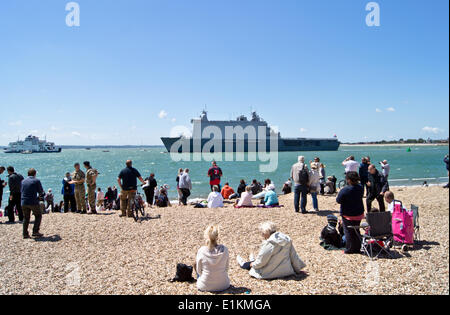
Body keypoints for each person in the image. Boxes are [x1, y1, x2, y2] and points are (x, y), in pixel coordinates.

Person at [236, 222, 306, 280]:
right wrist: (297, 270)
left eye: (262, 233)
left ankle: (242, 262)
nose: (262, 235)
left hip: (270, 273)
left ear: (266, 232)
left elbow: (261, 262)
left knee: (247, 264)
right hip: (287, 271)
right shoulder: (287, 240)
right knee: (254, 260)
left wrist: (252, 265)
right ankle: (250, 259)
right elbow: (294, 256)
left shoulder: (270, 243)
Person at [336, 172, 365, 254]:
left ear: (348, 180)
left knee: (348, 232)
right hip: (359, 213)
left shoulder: (345, 189)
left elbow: (338, 200)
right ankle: (357, 247)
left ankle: (350, 249)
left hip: (348, 214)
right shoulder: (360, 187)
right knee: (356, 230)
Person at [195, 225, 230, 292]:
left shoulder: (201, 251)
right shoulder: (225, 250)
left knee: (195, 263)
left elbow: (199, 271)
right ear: (217, 236)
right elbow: (226, 269)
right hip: (224, 285)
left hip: (204, 286)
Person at [21, 168, 45, 239]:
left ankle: (25, 234)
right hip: (32, 201)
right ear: (35, 174)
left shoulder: (23, 181)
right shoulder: (36, 181)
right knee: (38, 215)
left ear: (28, 174)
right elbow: (41, 192)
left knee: (26, 218)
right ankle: (35, 231)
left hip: (23, 201)